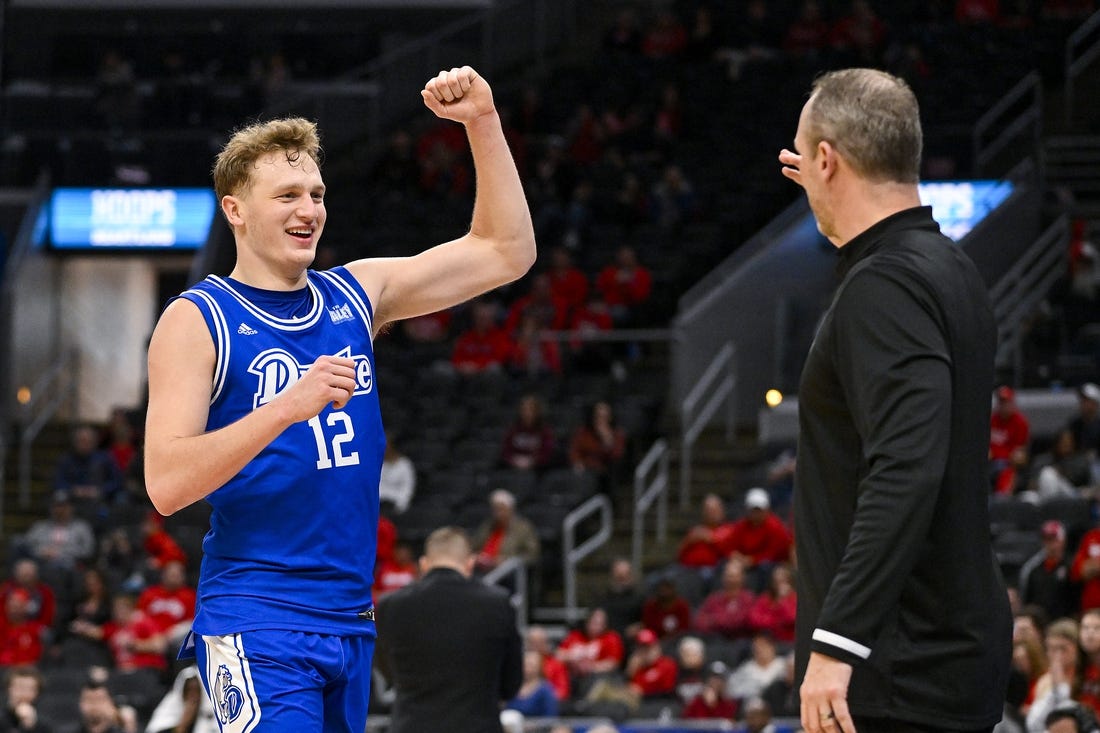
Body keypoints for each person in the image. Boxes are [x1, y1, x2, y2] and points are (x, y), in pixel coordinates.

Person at [142, 66, 534, 732]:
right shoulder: (197, 317)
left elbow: (505, 251)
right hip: (257, 616)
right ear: (235, 208)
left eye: (317, 193)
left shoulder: (356, 293)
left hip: (348, 618)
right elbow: (166, 482)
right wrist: (286, 407)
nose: (310, 210)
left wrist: (483, 124)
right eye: (288, 194)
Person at [778, 68, 1012, 733]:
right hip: (935, 653)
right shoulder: (943, 266)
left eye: (808, 153)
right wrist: (834, 207)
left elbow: (906, 465)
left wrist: (836, 642)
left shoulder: (884, 287)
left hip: (896, 667)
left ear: (826, 159)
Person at [375, 527, 522, 733]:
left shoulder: (390, 605)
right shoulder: (498, 603)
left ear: (424, 564)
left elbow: (386, 668)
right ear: (470, 564)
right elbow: (511, 683)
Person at [724, 488, 793, 592]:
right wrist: (735, 556)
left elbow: (773, 553)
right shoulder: (741, 526)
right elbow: (729, 545)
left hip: (771, 563)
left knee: (764, 567)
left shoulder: (774, 527)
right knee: (725, 566)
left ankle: (761, 596)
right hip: (745, 562)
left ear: (766, 510)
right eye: (753, 510)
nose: (756, 513)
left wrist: (753, 560)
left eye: (759, 510)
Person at [1019, 521, 1080, 621]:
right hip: (1039, 621)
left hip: (1065, 620)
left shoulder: (1072, 565)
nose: (1050, 544)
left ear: (1063, 540)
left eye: (1053, 539)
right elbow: (1027, 597)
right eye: (1046, 540)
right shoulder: (1033, 567)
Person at [472, 489, 541, 574]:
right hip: (483, 567)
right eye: (495, 509)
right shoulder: (487, 526)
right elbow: (474, 546)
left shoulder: (523, 528)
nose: (497, 514)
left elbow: (532, 555)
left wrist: (507, 560)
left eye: (501, 509)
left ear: (510, 509)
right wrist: (478, 557)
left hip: (509, 572)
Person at [144, 666, 217, 733]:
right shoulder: (167, 715)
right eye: (188, 690)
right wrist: (184, 722)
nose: (193, 696)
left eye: (196, 691)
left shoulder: (210, 716)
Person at [499, 394, 557, 472]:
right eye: (524, 409)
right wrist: (514, 460)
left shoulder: (545, 431)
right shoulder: (513, 429)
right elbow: (506, 450)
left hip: (537, 468)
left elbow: (547, 452)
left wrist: (533, 461)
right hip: (514, 465)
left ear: (537, 412)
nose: (527, 412)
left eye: (530, 409)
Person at [991, 386, 1032, 495]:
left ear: (1012, 403)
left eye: (1006, 402)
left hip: (1008, 464)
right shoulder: (993, 420)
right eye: (1001, 402)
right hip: (991, 462)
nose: (1003, 406)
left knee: (1007, 470)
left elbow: (1020, 454)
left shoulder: (1020, 422)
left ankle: (1002, 501)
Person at [505, 650, 559, 718]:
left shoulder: (545, 690)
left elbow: (550, 717)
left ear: (539, 667)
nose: (527, 668)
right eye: (525, 664)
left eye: (531, 665)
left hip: (538, 727)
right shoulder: (512, 685)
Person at [0, 666, 52, 733]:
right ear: (8, 689)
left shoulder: (44, 723)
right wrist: (26, 727)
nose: (24, 693)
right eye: (20, 687)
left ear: (37, 693)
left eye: (30, 689)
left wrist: (30, 723)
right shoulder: (2, 720)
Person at [378, 440, 417, 514]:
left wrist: (400, 506)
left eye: (386, 447)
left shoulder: (404, 465)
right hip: (379, 506)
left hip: (396, 506)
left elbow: (408, 488)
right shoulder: (378, 464)